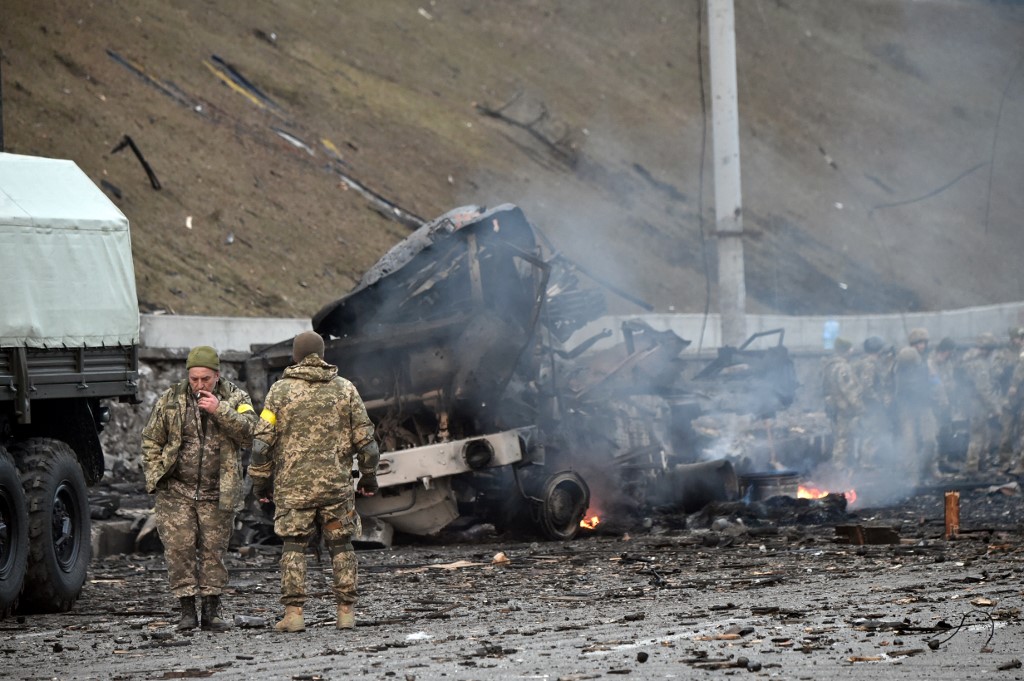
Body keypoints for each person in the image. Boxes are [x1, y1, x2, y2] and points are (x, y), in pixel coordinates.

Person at [249, 331, 380, 633]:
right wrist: (369, 479)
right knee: (341, 545)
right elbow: (368, 443)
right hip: (336, 488)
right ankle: (346, 612)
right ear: (322, 355)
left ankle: (294, 615)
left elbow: (260, 446)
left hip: (294, 491)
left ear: (294, 356)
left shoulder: (279, 393)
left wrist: (260, 484)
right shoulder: (345, 390)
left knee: (294, 546)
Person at [142, 346, 257, 631]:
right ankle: (186, 611)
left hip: (217, 492)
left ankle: (211, 611)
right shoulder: (171, 399)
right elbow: (151, 439)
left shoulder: (236, 397)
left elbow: (252, 431)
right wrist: (155, 473)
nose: (199, 385)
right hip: (177, 491)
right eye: (194, 379)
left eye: (205, 378)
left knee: (213, 552)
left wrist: (220, 410)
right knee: (178, 550)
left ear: (217, 375)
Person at [893, 328, 942, 480]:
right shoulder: (903, 359)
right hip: (907, 406)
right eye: (919, 343)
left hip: (924, 404)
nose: (922, 346)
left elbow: (935, 381)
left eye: (924, 343)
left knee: (930, 440)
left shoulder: (927, 362)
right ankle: (912, 474)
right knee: (910, 442)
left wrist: (940, 398)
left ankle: (929, 466)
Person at [960, 333, 1001, 473]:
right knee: (977, 435)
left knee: (983, 433)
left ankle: (981, 464)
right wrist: (995, 407)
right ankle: (972, 466)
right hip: (978, 404)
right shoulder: (979, 364)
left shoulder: (969, 359)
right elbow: (984, 389)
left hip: (972, 402)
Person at [821, 337, 863, 470]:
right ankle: (840, 468)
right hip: (844, 408)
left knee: (838, 436)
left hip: (833, 407)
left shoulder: (829, 366)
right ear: (845, 350)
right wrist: (860, 407)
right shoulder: (843, 368)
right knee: (843, 439)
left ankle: (841, 467)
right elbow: (849, 390)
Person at [852, 336, 892, 467]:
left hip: (867, 405)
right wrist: (878, 400)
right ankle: (866, 464)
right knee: (871, 434)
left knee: (869, 434)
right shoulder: (869, 364)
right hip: (870, 406)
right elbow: (866, 387)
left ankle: (865, 462)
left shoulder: (863, 362)